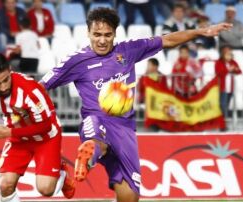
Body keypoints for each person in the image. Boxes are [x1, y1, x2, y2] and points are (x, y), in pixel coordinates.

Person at [40, 7, 231, 202]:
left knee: (129, 197)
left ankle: (87, 161)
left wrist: (200, 32)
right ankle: (87, 160)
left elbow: (167, 40)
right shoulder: (76, 61)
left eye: (107, 35)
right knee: (95, 142)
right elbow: (41, 86)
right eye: (96, 34)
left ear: (115, 33)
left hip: (125, 129)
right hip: (97, 119)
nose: (102, 40)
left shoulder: (128, 50)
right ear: (88, 32)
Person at [0, 53, 75, 201]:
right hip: (18, 138)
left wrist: (9, 131)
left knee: (46, 189)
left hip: (45, 138)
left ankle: (61, 173)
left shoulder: (31, 91)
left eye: (6, 80)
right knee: (5, 185)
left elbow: (45, 126)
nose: (3, 87)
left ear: (10, 70)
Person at [215, 45, 242, 124]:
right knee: (222, 105)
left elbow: (239, 71)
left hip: (230, 87)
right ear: (223, 55)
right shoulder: (219, 62)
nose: (229, 56)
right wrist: (228, 69)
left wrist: (236, 69)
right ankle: (223, 121)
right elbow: (218, 72)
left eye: (230, 54)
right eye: (227, 54)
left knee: (226, 105)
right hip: (222, 87)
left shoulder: (233, 62)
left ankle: (224, 120)